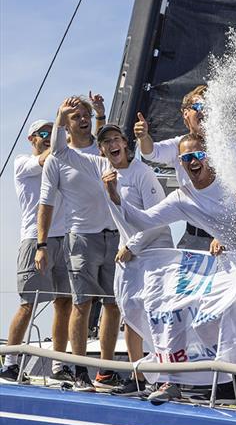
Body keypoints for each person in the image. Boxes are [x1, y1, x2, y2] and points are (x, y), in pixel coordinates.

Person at [103, 134, 236, 404]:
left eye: (198, 156)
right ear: (180, 163)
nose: (192, 162)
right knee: (211, 317)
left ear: (208, 158)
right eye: (185, 158)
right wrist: (115, 198)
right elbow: (144, 220)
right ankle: (231, 385)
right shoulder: (183, 198)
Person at [46, 105, 175, 397]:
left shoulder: (143, 173)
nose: (112, 144)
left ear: (126, 144)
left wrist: (131, 245)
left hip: (153, 252)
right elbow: (60, 153)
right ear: (101, 149)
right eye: (106, 142)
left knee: (152, 314)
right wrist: (60, 120)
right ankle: (139, 376)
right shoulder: (101, 166)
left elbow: (158, 220)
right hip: (127, 255)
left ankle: (166, 377)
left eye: (116, 139)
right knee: (129, 313)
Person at [38, 94, 119, 392]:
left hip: (113, 237)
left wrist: (99, 113)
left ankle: (106, 372)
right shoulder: (59, 158)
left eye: (85, 114)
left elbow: (109, 140)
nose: (82, 118)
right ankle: (79, 369)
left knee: (113, 305)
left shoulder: (102, 154)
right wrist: (42, 244)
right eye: (76, 116)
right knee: (81, 304)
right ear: (66, 125)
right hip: (81, 238)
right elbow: (45, 204)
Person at [0, 120, 73, 384]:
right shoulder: (23, 163)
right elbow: (45, 158)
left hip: (65, 240)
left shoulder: (62, 163)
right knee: (28, 304)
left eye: (53, 133)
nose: (49, 138)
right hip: (34, 241)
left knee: (65, 302)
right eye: (44, 133)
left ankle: (58, 364)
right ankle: (10, 363)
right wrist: (62, 130)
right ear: (32, 138)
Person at [134, 84, 214, 250]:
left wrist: (223, 236)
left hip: (224, 238)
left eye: (208, 106)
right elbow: (151, 152)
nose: (204, 111)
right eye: (198, 106)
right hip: (193, 238)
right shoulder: (179, 145)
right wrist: (144, 137)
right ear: (186, 114)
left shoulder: (227, 146)